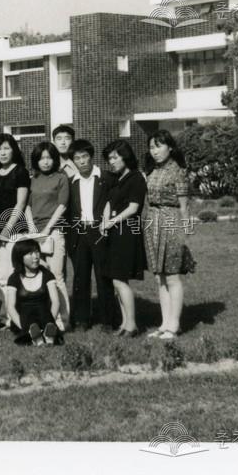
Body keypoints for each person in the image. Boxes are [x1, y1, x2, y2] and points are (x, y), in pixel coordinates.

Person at [143, 130, 196, 341]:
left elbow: (185, 207)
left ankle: (174, 325)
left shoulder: (178, 171)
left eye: (159, 146)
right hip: (153, 222)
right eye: (151, 147)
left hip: (171, 221)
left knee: (172, 276)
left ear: (170, 147)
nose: (154, 151)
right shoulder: (152, 171)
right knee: (159, 277)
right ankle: (164, 324)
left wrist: (187, 233)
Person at [63, 139, 114, 330]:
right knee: (80, 277)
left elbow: (114, 202)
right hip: (79, 233)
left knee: (103, 276)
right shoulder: (71, 183)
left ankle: (108, 320)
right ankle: (82, 319)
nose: (82, 161)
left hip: (100, 231)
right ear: (73, 162)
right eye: (77, 158)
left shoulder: (105, 178)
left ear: (91, 157)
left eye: (85, 157)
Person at [99, 139, 148, 337]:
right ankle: (125, 323)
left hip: (127, 232)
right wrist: (104, 221)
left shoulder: (136, 178)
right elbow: (110, 202)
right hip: (114, 232)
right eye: (109, 158)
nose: (111, 162)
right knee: (115, 280)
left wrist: (111, 222)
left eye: (114, 157)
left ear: (125, 156)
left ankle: (132, 325)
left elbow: (133, 208)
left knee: (120, 280)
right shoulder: (118, 178)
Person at [0, 133, 30, 311]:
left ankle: (19, 314)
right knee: (1, 275)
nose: (2, 153)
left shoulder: (20, 171)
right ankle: (9, 315)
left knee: (14, 274)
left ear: (14, 150)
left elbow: (20, 203)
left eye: (6, 148)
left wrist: (7, 229)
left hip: (15, 231)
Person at [28, 141, 71, 328]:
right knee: (38, 277)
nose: (45, 162)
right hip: (34, 232)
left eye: (49, 158)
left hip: (53, 232)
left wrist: (46, 230)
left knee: (56, 275)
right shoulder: (32, 179)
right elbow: (27, 206)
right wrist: (32, 229)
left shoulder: (61, 178)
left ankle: (64, 318)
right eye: (41, 158)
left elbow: (62, 205)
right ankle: (45, 316)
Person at [6, 238, 65, 346]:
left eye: (37, 251)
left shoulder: (47, 274)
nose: (36, 257)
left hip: (45, 316)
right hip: (23, 319)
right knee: (28, 314)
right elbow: (11, 307)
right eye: (30, 253)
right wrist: (23, 326)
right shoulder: (14, 278)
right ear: (20, 257)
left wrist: (50, 321)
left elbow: (56, 302)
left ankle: (47, 333)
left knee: (42, 310)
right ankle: (35, 334)